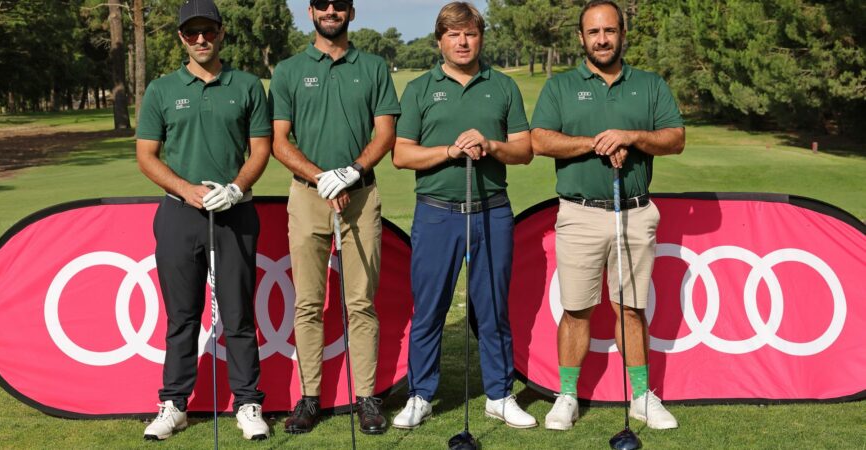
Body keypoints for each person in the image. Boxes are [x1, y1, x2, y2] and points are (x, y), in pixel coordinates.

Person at [530, 0, 685, 431]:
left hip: (634, 212)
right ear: (581, 38)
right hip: (579, 213)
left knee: (631, 308)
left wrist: (631, 136)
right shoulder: (560, 87)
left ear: (622, 34)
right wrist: (598, 142)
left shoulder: (649, 84)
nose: (602, 39)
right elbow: (541, 140)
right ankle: (567, 395)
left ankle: (640, 397)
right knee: (576, 308)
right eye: (593, 32)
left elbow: (675, 138)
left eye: (610, 31)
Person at [391, 1, 536, 430]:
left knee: (493, 309)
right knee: (430, 309)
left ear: (481, 38)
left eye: (470, 33)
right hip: (437, 214)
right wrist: (450, 152)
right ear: (440, 41)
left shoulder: (503, 86)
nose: (462, 41)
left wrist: (490, 146)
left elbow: (525, 149)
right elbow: (402, 154)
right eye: (453, 34)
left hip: (491, 210)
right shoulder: (420, 88)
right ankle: (420, 394)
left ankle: (499, 394)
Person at [135, 0, 271, 441]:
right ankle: (173, 404)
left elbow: (261, 149)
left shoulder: (248, 85)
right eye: (191, 32)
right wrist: (186, 189)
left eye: (207, 31)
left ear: (221, 33)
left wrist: (235, 187)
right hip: (179, 214)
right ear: (181, 37)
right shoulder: (160, 89)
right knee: (181, 316)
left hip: (235, 212)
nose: (200, 39)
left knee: (238, 314)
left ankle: (248, 403)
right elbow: (147, 156)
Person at [268, 0, 400, 436]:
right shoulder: (287, 71)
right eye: (322, 4)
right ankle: (310, 398)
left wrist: (352, 172)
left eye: (339, 5)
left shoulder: (374, 66)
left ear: (351, 12)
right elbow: (280, 142)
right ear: (310, 13)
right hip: (308, 197)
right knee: (308, 303)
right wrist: (321, 177)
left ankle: (366, 397)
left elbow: (385, 132)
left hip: (361, 195)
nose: (331, 10)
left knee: (360, 302)